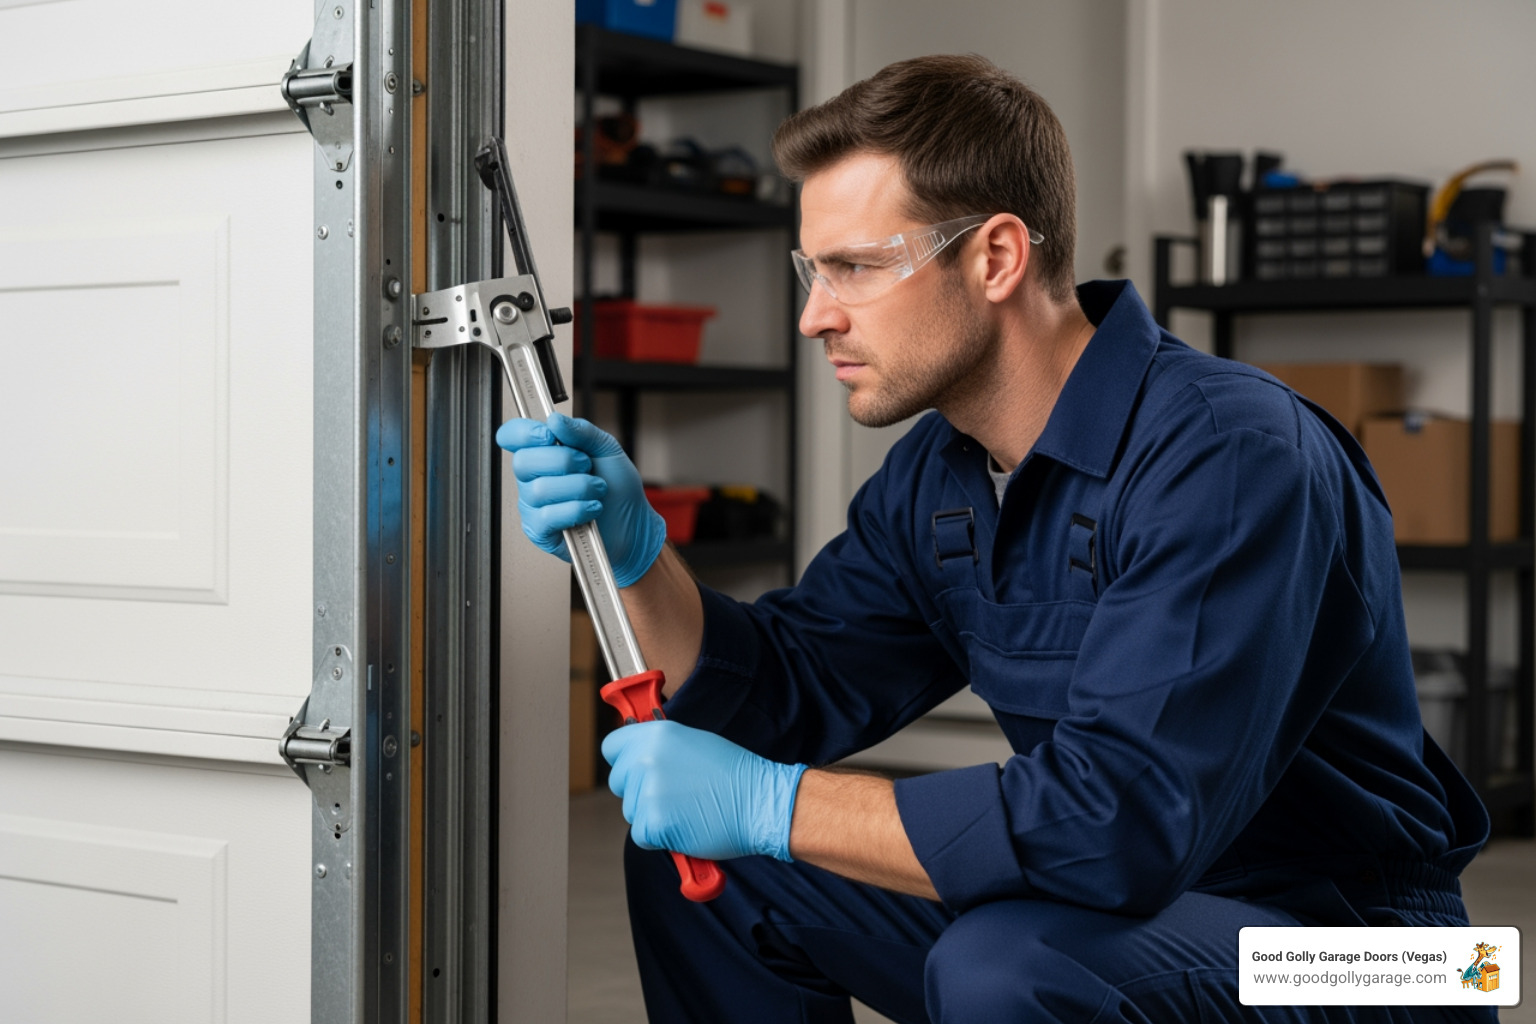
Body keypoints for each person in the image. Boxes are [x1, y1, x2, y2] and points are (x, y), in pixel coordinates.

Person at [499, 54, 1492, 1023]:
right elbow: (783, 689)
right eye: (812, 268)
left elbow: (1118, 823)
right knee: (705, 869)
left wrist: (774, 802)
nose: (812, 316)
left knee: (1010, 966)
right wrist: (635, 557)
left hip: (1371, 956)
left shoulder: (1234, 454)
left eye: (854, 267)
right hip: (1132, 910)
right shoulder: (943, 475)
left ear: (997, 257)